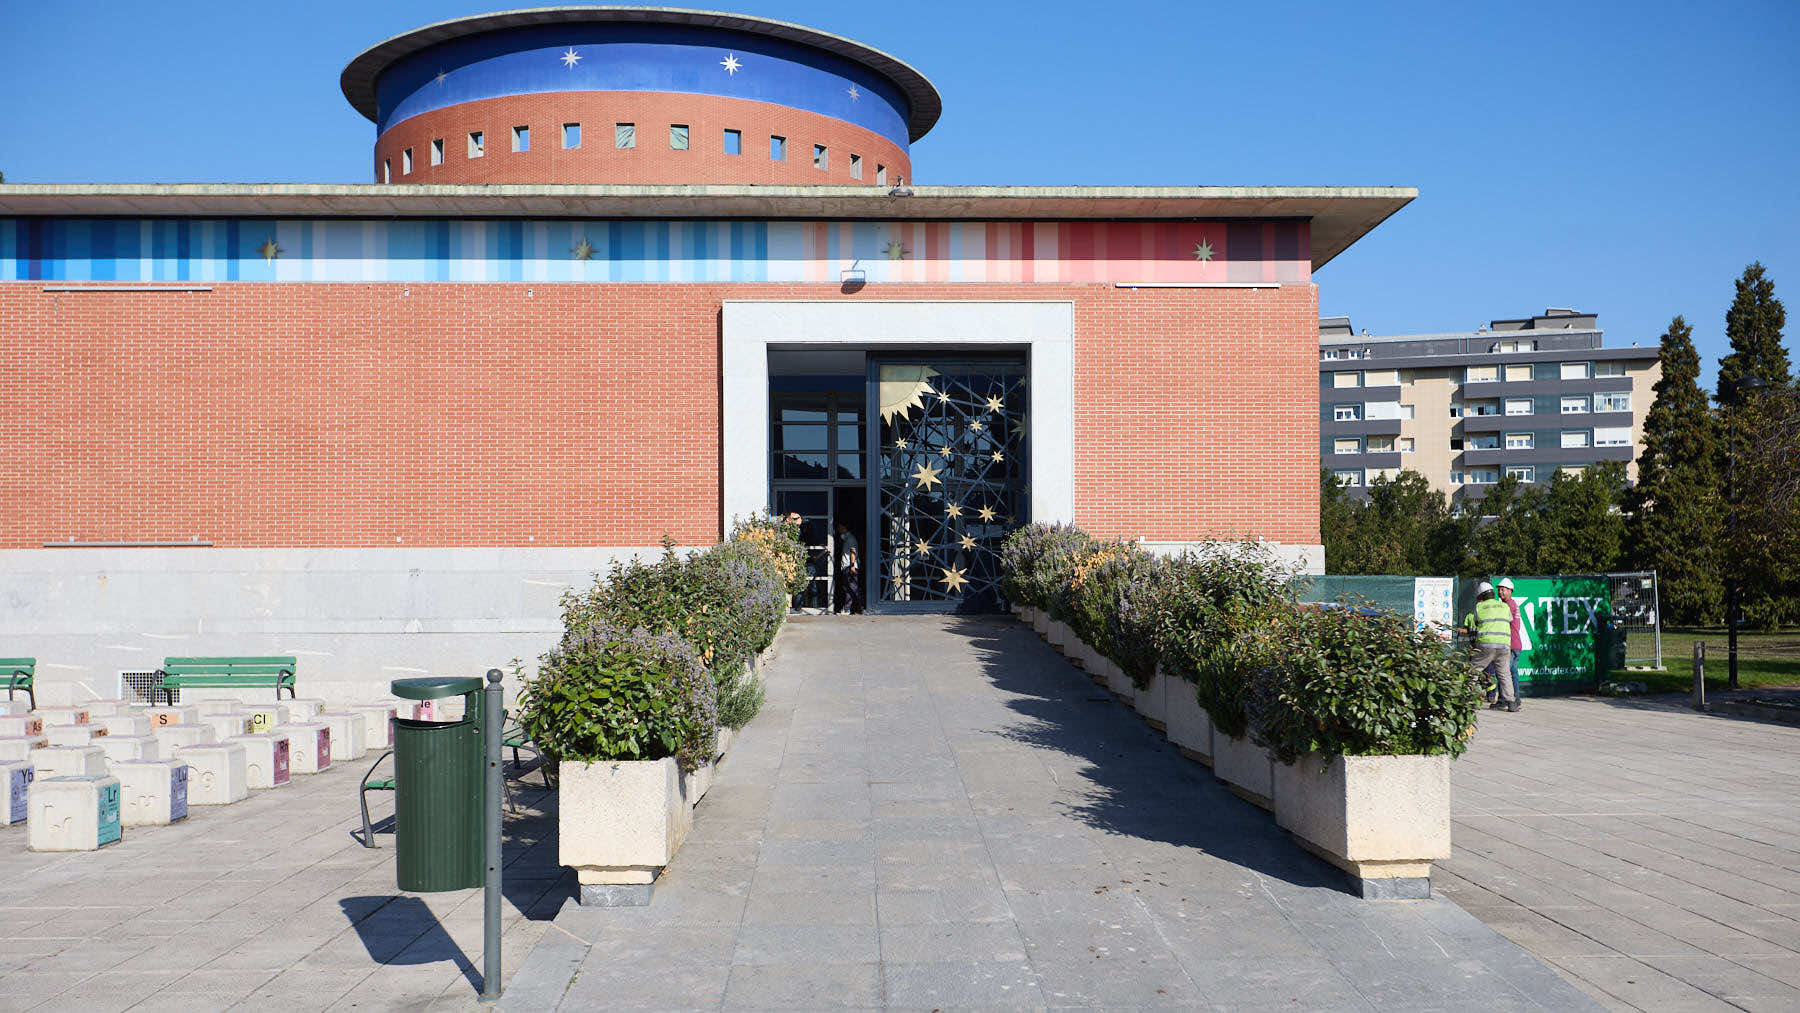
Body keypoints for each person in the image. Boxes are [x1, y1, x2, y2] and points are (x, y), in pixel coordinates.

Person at [1459, 581, 1518, 712]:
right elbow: (1509, 619)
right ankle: (1511, 702)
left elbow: (1475, 622)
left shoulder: (1479, 607)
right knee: (1504, 674)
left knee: (1473, 670)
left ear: (1481, 595)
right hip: (1504, 645)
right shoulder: (1504, 607)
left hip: (1486, 644)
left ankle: (1465, 698)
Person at [1496, 577, 1523, 700]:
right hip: (1513, 644)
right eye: (1499, 590)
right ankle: (1511, 698)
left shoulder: (1509, 606)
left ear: (1510, 591)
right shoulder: (1509, 605)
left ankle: (1509, 699)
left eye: (1503, 590)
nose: (1500, 592)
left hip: (1511, 645)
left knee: (1505, 674)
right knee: (1510, 673)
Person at [833, 518, 864, 614]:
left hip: (849, 566)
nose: (838, 529)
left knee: (851, 588)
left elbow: (853, 551)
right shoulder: (846, 538)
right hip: (847, 566)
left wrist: (852, 565)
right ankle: (854, 608)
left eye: (839, 527)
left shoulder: (850, 539)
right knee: (849, 588)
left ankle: (855, 608)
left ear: (844, 527)